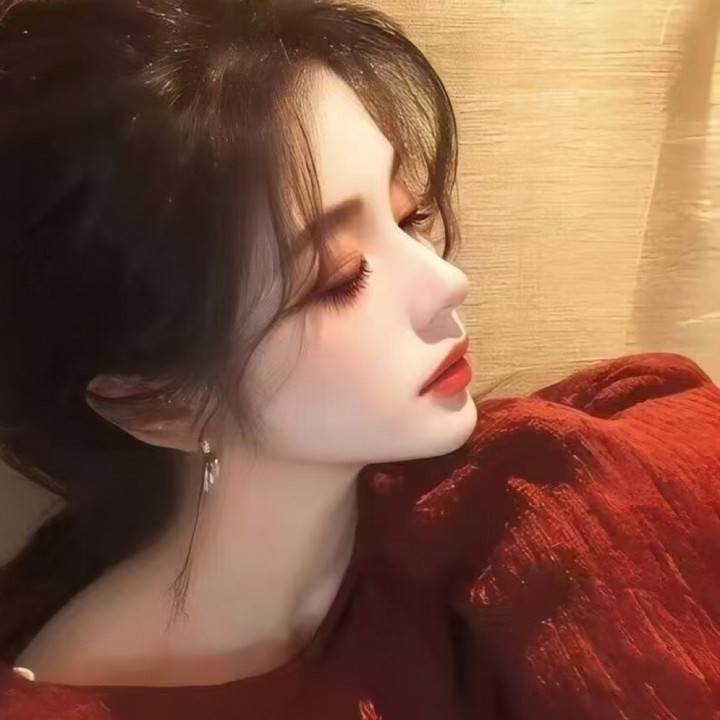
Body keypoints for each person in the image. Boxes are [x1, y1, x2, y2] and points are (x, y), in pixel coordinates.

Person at [2, 0, 720, 719]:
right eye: (340, 279)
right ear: (160, 404)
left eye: (409, 217)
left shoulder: (543, 494)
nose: (447, 282)